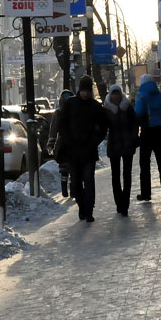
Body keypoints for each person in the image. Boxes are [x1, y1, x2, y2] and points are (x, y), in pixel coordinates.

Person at [56, 76, 108, 222]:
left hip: (89, 152)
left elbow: (103, 127)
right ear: (80, 90)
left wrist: (94, 141)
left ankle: (89, 211)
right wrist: (67, 139)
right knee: (77, 183)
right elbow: (62, 124)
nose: (86, 94)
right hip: (73, 153)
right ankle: (81, 207)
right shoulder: (70, 104)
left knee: (89, 181)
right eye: (83, 90)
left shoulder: (95, 107)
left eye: (88, 91)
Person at [134, 73, 161, 202]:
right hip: (160, 131)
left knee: (144, 164)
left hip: (147, 131)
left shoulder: (142, 96)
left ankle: (146, 194)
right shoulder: (160, 96)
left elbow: (138, 112)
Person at [103, 84, 138, 216]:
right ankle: (119, 203)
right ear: (110, 95)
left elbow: (135, 123)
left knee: (127, 175)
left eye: (117, 94)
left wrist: (134, 136)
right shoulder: (106, 110)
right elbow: (102, 126)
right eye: (113, 94)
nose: (115, 96)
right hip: (114, 147)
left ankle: (125, 203)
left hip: (128, 145)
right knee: (115, 176)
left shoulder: (127, 107)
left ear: (121, 95)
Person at [48, 89, 74, 197]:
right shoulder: (62, 112)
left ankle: (69, 189)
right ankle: (70, 189)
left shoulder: (58, 112)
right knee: (68, 168)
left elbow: (53, 130)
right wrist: (51, 143)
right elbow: (53, 130)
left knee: (67, 168)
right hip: (68, 143)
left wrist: (51, 143)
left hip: (67, 143)